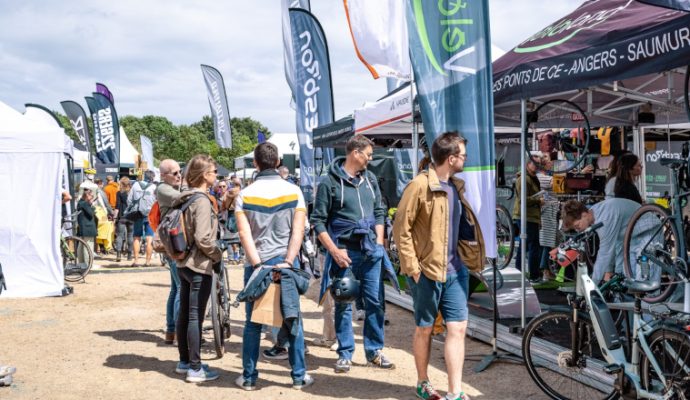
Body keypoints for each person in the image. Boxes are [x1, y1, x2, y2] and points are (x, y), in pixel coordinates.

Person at [393, 132, 485, 400]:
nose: (465, 159)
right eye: (463, 155)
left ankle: (454, 392)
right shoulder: (419, 185)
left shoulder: (456, 185)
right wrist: (412, 267)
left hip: (456, 271)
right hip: (427, 271)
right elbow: (402, 229)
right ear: (451, 158)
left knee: (458, 328)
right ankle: (423, 382)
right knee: (425, 328)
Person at [311, 134, 394, 373]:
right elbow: (317, 221)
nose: (370, 158)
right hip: (344, 251)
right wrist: (334, 251)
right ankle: (345, 352)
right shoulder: (329, 182)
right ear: (355, 153)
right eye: (368, 154)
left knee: (376, 302)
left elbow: (380, 211)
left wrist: (379, 243)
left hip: (371, 250)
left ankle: (374, 351)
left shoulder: (369, 179)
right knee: (344, 301)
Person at [234, 142, 313, 391]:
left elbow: (244, 233)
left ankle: (248, 378)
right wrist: (288, 261)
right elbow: (298, 231)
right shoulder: (294, 191)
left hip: (257, 267)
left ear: (255, 163)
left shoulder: (244, 195)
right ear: (278, 162)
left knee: (252, 323)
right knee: (292, 319)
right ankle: (298, 377)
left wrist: (258, 265)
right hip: (285, 265)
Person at [172, 155, 222, 382]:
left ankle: (185, 362)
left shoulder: (185, 197)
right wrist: (217, 254)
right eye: (213, 172)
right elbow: (203, 237)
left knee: (184, 314)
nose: (216, 175)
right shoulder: (201, 200)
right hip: (199, 264)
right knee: (195, 317)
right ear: (204, 175)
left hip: (182, 262)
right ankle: (195, 368)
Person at [561, 198, 645, 283]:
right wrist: (609, 271)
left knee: (643, 279)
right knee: (623, 275)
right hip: (631, 236)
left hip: (648, 230)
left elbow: (605, 253)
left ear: (584, 215)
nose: (578, 230)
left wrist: (593, 285)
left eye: (577, 226)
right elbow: (611, 247)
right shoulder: (595, 211)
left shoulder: (605, 219)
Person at [156, 159, 183, 345]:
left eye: (179, 171)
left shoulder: (172, 188)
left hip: (173, 243)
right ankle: (181, 333)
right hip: (174, 244)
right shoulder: (163, 189)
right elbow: (181, 199)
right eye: (174, 173)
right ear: (163, 176)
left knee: (175, 288)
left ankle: (171, 331)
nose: (179, 175)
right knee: (181, 288)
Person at [512, 157, 544, 282]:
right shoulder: (524, 179)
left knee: (525, 245)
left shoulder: (532, 178)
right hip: (526, 216)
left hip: (530, 216)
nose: (537, 166)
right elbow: (523, 199)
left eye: (539, 164)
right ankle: (534, 275)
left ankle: (520, 273)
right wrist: (538, 201)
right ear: (527, 164)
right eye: (534, 163)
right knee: (532, 246)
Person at [128, 170, 156, 266]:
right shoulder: (153, 187)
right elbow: (157, 202)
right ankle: (147, 262)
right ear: (152, 178)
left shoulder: (135, 185)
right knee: (149, 239)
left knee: (136, 237)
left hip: (137, 213)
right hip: (150, 215)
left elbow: (129, 199)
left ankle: (136, 261)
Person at [114, 177, 134, 262]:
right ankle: (129, 255)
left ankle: (118, 254)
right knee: (130, 235)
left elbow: (117, 206)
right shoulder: (132, 193)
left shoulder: (119, 193)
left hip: (122, 217)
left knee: (119, 235)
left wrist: (115, 218)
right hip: (131, 216)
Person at [76, 189, 98, 263]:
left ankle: (81, 263)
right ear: (87, 195)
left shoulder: (80, 202)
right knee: (88, 247)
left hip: (83, 227)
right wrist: (91, 205)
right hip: (88, 228)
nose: (92, 197)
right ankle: (88, 264)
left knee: (81, 246)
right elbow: (91, 214)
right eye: (91, 196)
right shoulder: (85, 204)